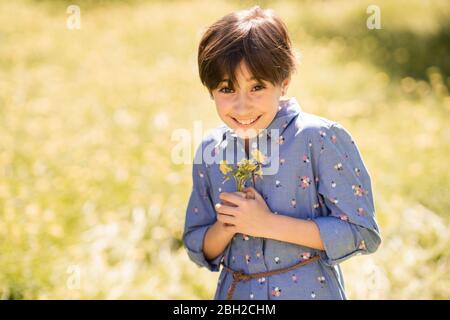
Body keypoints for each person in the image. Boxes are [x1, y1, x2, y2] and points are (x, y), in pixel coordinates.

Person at [182, 5, 381, 300]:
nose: (242, 105)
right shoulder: (211, 150)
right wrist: (226, 226)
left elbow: (362, 233)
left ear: (283, 83)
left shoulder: (319, 138)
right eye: (226, 89)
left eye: (257, 87)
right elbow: (199, 246)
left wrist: (265, 224)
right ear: (210, 91)